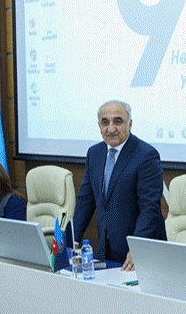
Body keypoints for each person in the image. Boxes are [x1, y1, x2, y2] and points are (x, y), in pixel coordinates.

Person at [67, 100, 165, 271]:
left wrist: (137, 248)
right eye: (105, 122)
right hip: (106, 250)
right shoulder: (94, 153)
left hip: (138, 253)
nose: (111, 128)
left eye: (117, 121)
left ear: (130, 124)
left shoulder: (146, 155)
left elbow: (149, 209)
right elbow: (85, 200)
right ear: (99, 126)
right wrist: (72, 239)